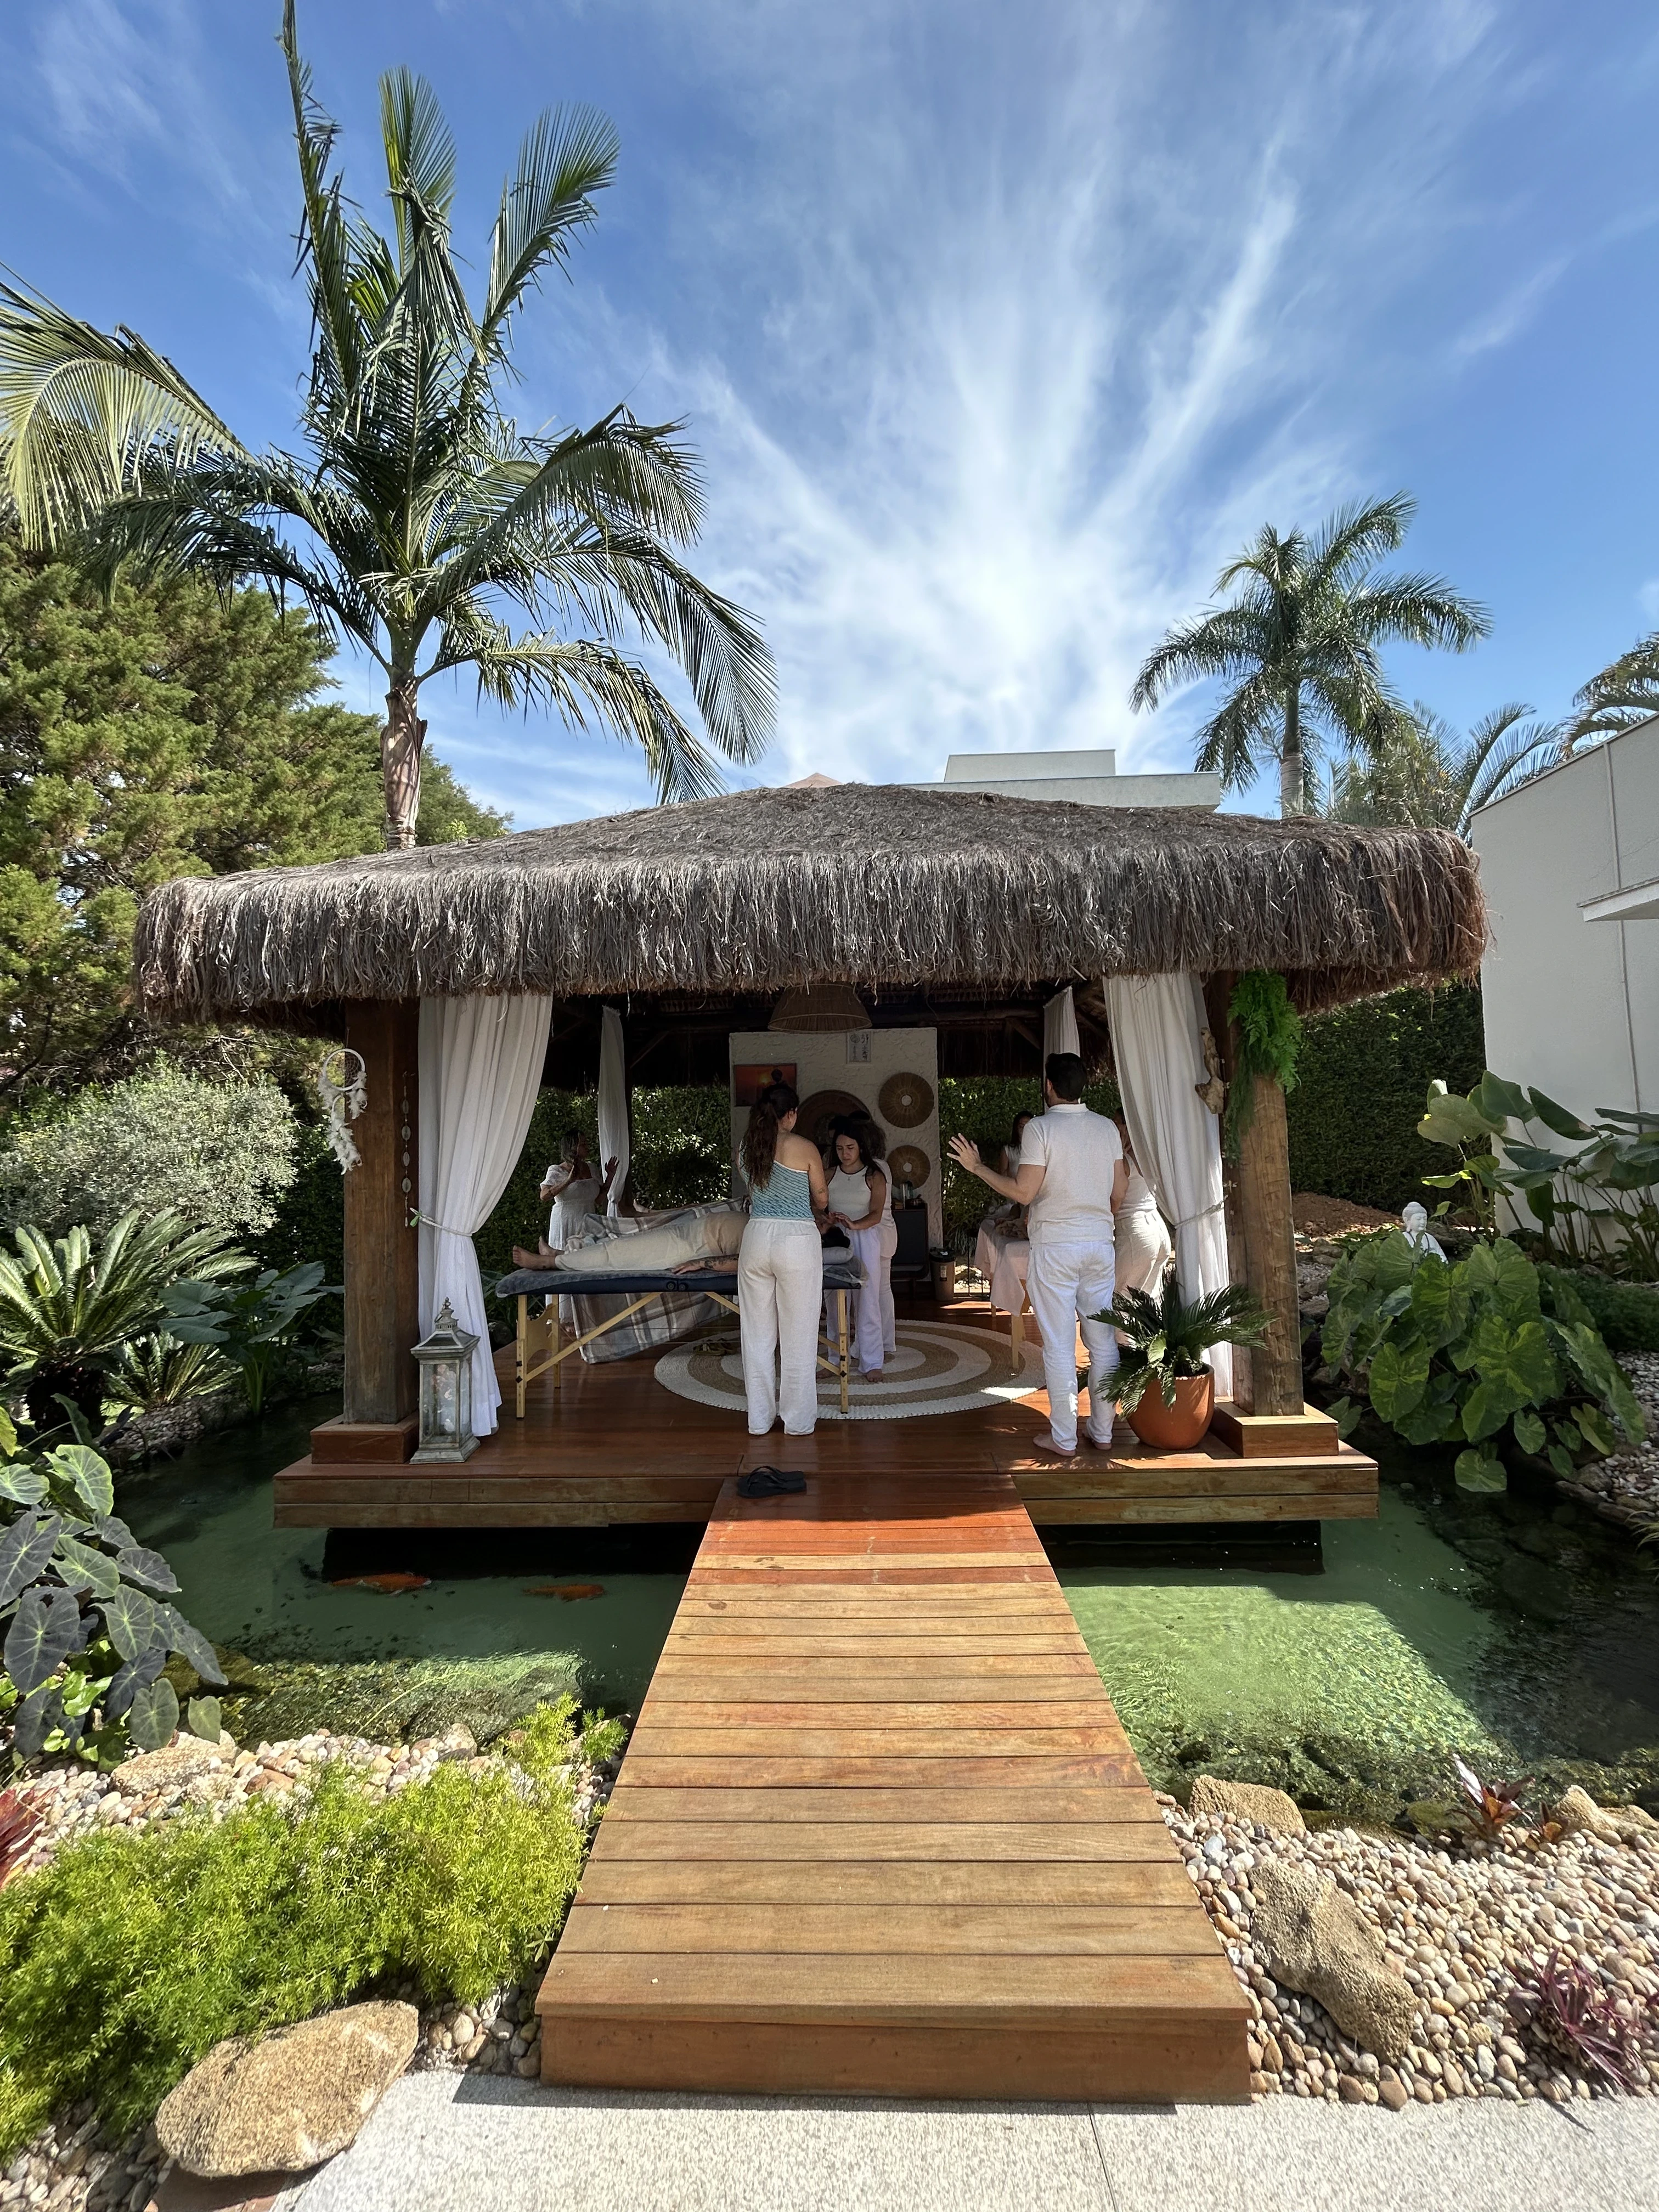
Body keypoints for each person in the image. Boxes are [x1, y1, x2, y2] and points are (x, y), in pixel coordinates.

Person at [949, 1051, 1126, 1459]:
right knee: (1102, 1343)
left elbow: (1024, 1193)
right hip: (1100, 1244)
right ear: (1085, 1086)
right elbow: (1119, 1192)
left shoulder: (1041, 1130)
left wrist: (977, 1167)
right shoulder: (1106, 1129)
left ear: (1048, 1087)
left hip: (1057, 1248)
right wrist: (1095, 1221)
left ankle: (1064, 1438)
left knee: (1060, 1345)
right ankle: (1102, 1431)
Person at [737, 1081, 829, 1436]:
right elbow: (820, 1200)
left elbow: (756, 1191)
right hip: (796, 1240)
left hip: (757, 1237)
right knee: (799, 1335)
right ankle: (798, 1421)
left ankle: (759, 1420)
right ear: (790, 1114)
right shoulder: (804, 1147)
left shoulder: (747, 1148)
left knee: (756, 1335)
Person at [824, 1116, 897, 1383]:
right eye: (840, 1148)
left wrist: (855, 1224)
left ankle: (872, 1362)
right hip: (835, 1238)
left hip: (865, 1237)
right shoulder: (829, 1174)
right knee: (834, 1301)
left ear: (860, 1147)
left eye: (850, 1148)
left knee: (867, 1301)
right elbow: (817, 1208)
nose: (845, 1153)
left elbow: (877, 1213)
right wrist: (828, 1220)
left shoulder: (874, 1175)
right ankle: (834, 1358)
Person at [511, 1127, 618, 1269]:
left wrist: (610, 1177)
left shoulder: (591, 1168)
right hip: (565, 1222)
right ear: (572, 1148)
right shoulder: (556, 1170)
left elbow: (598, 1200)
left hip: (587, 1221)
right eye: (583, 1144)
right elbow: (544, 1196)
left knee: (586, 1261)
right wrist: (568, 1180)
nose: (588, 1146)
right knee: (563, 1263)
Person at [1111, 1116, 1173, 1296]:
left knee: (1121, 1303)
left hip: (1136, 1234)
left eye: (1118, 1123)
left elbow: (1115, 1200)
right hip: (1158, 1230)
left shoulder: (1122, 1162)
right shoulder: (1148, 1156)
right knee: (1148, 1303)